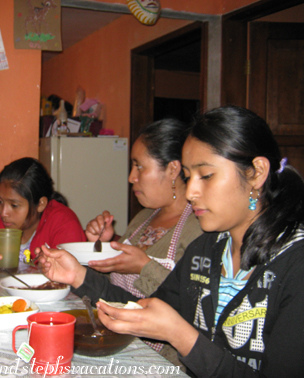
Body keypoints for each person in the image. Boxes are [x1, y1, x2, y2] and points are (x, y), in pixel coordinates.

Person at [41, 105, 304, 377]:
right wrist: (79, 275)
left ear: (257, 172)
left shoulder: (295, 264)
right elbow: (144, 309)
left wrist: (180, 334)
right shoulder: (207, 251)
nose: (191, 192)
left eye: (207, 175)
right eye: (189, 178)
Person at [85, 118, 202, 298]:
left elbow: (191, 299)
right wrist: (101, 246)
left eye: (139, 166)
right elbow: (109, 286)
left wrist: (144, 267)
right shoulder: (143, 217)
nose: (132, 177)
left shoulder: (199, 226)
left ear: (172, 169)